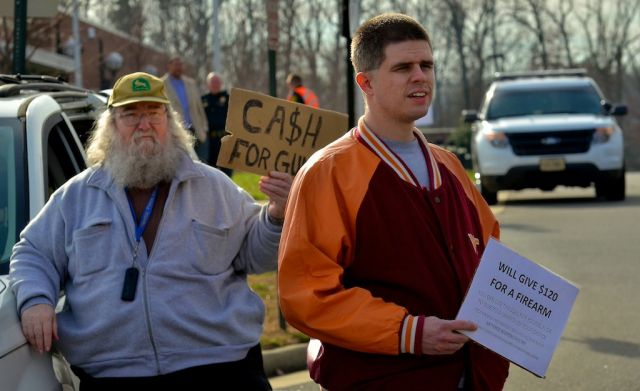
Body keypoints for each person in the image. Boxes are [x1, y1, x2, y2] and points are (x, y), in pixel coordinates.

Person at [9, 72, 292, 390]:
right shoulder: (76, 196)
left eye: (153, 113)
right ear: (112, 127)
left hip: (220, 367)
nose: (144, 124)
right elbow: (33, 252)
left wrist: (277, 214)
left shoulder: (213, 186)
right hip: (115, 375)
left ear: (169, 124)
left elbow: (258, 255)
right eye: (130, 114)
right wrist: (35, 300)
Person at [278, 13, 509, 390]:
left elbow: (491, 262)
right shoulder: (329, 172)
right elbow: (308, 295)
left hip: (468, 376)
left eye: (427, 65)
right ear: (365, 82)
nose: (420, 76)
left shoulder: (448, 165)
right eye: (403, 67)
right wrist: (408, 331)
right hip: (380, 378)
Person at [162, 56, 209, 162]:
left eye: (180, 64)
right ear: (169, 66)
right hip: (176, 132)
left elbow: (199, 108)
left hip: (197, 131)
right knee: (183, 164)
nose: (179, 67)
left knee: (203, 164)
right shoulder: (161, 84)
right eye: (176, 64)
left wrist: (205, 127)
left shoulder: (191, 83)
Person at [201, 72, 233, 177]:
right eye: (212, 82)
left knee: (227, 170)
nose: (215, 84)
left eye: (217, 82)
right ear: (208, 84)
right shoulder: (203, 100)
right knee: (211, 171)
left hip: (225, 139)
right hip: (210, 141)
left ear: (221, 83)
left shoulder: (228, 98)